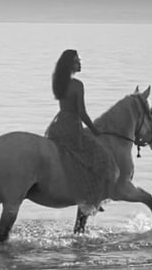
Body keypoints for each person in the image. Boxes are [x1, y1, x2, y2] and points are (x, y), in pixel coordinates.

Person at [45, 49, 118, 210]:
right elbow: (82, 112)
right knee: (102, 159)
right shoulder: (77, 85)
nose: (80, 63)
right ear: (71, 64)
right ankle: (92, 198)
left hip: (58, 125)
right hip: (72, 127)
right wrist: (94, 129)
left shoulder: (58, 81)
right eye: (77, 61)